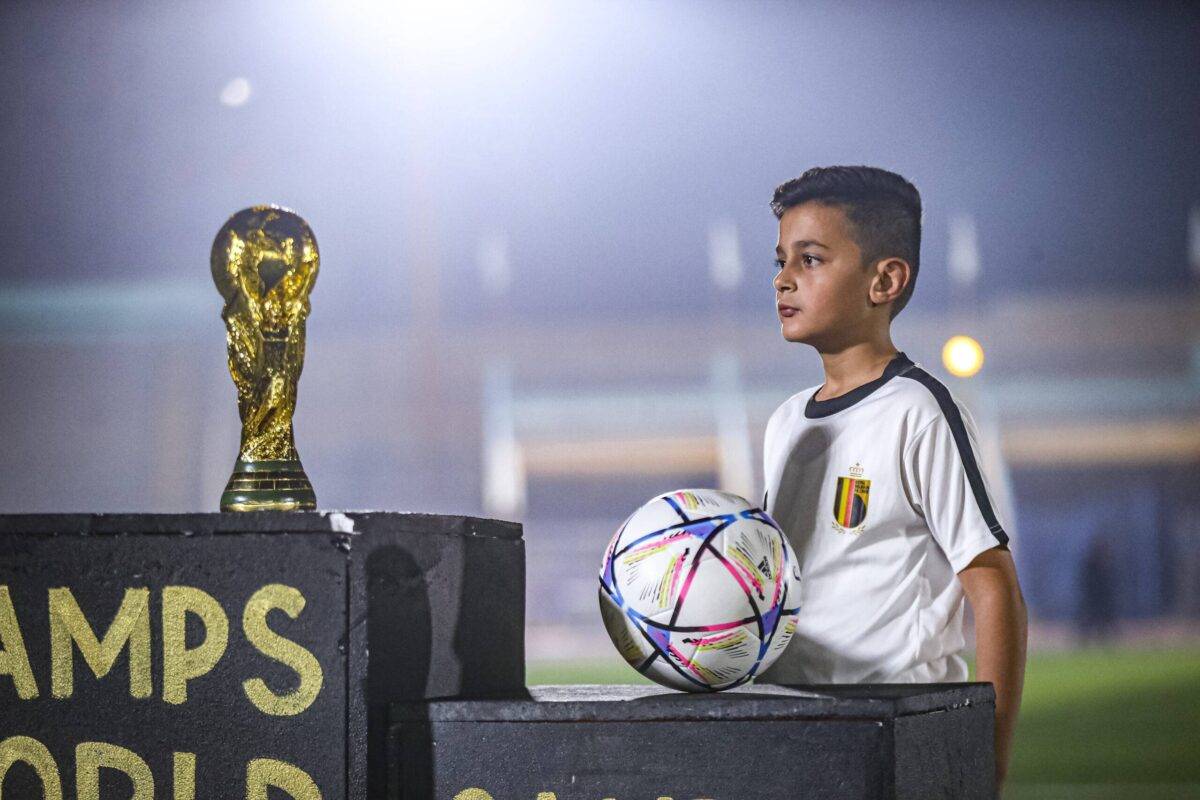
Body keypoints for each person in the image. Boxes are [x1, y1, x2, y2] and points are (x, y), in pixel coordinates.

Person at [754, 166, 1028, 793]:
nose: (783, 278)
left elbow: (995, 590)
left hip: (891, 745)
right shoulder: (784, 423)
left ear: (885, 278)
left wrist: (983, 762)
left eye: (812, 259)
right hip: (789, 740)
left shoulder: (919, 410)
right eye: (780, 260)